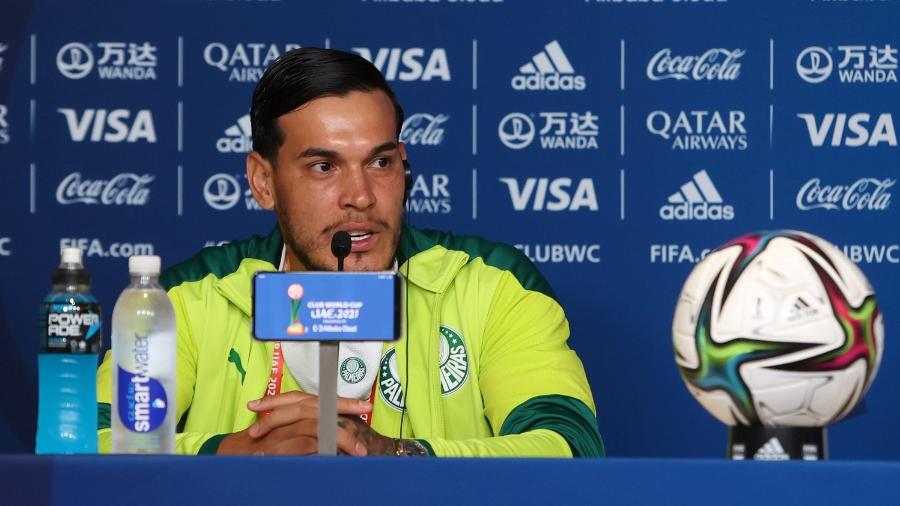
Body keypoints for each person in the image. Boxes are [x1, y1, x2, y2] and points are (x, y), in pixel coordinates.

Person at [95, 48, 604, 457]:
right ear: (263, 181)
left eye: (380, 162)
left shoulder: (493, 285)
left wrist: (399, 456)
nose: (360, 195)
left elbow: (569, 446)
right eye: (324, 167)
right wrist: (235, 453)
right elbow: (92, 443)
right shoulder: (187, 298)